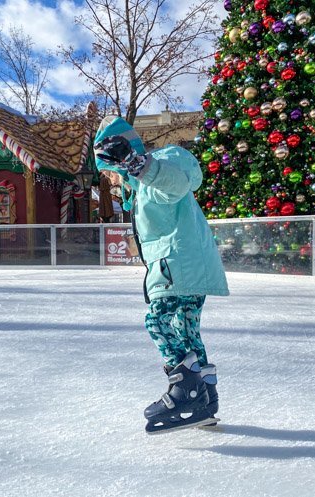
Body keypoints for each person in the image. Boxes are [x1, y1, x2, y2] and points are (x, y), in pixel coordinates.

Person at [94, 116, 229, 434]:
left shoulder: (154, 170)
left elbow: (175, 184)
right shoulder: (141, 187)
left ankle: (186, 392)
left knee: (158, 323)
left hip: (177, 263)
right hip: (188, 264)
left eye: (108, 172)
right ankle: (206, 399)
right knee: (187, 332)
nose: (111, 181)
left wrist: (134, 164)